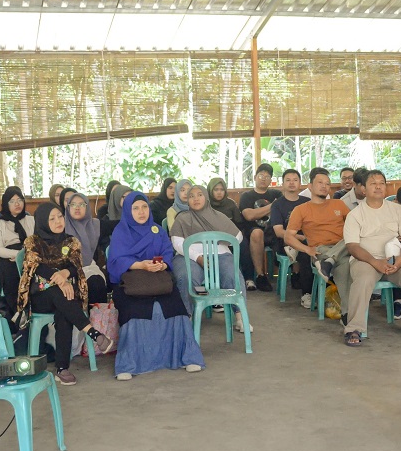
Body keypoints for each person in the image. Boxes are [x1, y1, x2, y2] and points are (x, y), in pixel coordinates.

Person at [108, 192, 205, 381]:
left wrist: (162, 264)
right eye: (135, 208)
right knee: (135, 311)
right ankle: (129, 364)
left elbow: (167, 251)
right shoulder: (121, 231)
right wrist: (141, 265)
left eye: (144, 207)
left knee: (175, 308)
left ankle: (187, 357)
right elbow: (115, 260)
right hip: (130, 282)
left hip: (157, 279)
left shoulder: (156, 230)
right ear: (128, 211)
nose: (141, 212)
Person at [17, 203, 115, 386]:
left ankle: (62, 368)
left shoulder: (71, 241)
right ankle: (94, 333)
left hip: (65, 294)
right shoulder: (33, 242)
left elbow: (75, 266)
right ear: (43, 222)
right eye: (52, 219)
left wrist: (65, 275)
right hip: (40, 296)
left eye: (60, 217)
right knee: (59, 294)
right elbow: (36, 266)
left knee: (64, 309)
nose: (58, 221)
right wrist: (60, 279)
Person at [343, 171, 401, 347]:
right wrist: (375, 262)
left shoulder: (397, 210)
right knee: (363, 280)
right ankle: (353, 328)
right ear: (363, 188)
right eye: (373, 183)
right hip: (366, 260)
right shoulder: (355, 215)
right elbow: (352, 246)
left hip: (395, 260)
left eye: (382, 183)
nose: (378, 186)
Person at [170, 185, 252, 333]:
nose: (196, 198)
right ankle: (186, 318)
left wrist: (217, 241)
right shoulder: (182, 218)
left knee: (232, 273)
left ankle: (240, 318)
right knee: (186, 276)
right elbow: (177, 242)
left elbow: (237, 238)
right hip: (188, 255)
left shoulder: (219, 216)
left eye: (199, 194)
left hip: (219, 254)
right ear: (187, 201)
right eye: (191, 196)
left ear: (206, 197)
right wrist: (198, 257)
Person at [285, 168, 352, 335]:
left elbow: (355, 226)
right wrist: (307, 249)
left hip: (344, 246)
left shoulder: (339, 204)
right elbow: (288, 237)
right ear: (310, 186)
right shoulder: (301, 209)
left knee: (349, 245)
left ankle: (347, 314)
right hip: (320, 249)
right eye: (320, 183)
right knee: (344, 267)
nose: (324, 186)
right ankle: (347, 314)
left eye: (328, 184)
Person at [268, 169, 312, 308]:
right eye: (288, 180)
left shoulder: (308, 202)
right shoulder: (277, 204)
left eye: (295, 180)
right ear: (282, 184)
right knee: (305, 250)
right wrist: (300, 237)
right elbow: (279, 232)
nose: (292, 183)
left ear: (300, 184)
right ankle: (307, 294)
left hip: (307, 239)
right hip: (284, 242)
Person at [0, 186, 35, 316]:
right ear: (5, 203)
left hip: (29, 255)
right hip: (7, 257)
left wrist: (24, 256)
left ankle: (32, 310)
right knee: (9, 270)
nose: (17, 204)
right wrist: (18, 255)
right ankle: (18, 313)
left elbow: (37, 243)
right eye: (12, 201)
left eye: (20, 200)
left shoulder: (31, 220)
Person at [238, 163, 282, 292]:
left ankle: (295, 275)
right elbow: (249, 215)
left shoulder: (277, 193)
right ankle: (260, 276)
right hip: (253, 232)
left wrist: (260, 211)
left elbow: (281, 212)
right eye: (261, 175)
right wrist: (272, 206)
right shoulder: (247, 196)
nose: (264, 178)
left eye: (268, 176)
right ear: (255, 177)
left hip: (273, 231)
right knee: (257, 232)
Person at [65, 192, 107, 304]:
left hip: (88, 266)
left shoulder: (94, 225)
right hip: (66, 269)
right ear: (68, 207)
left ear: (87, 207)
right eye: (73, 204)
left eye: (82, 204)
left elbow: (116, 224)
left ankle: (98, 319)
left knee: (97, 282)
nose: (77, 208)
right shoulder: (60, 225)